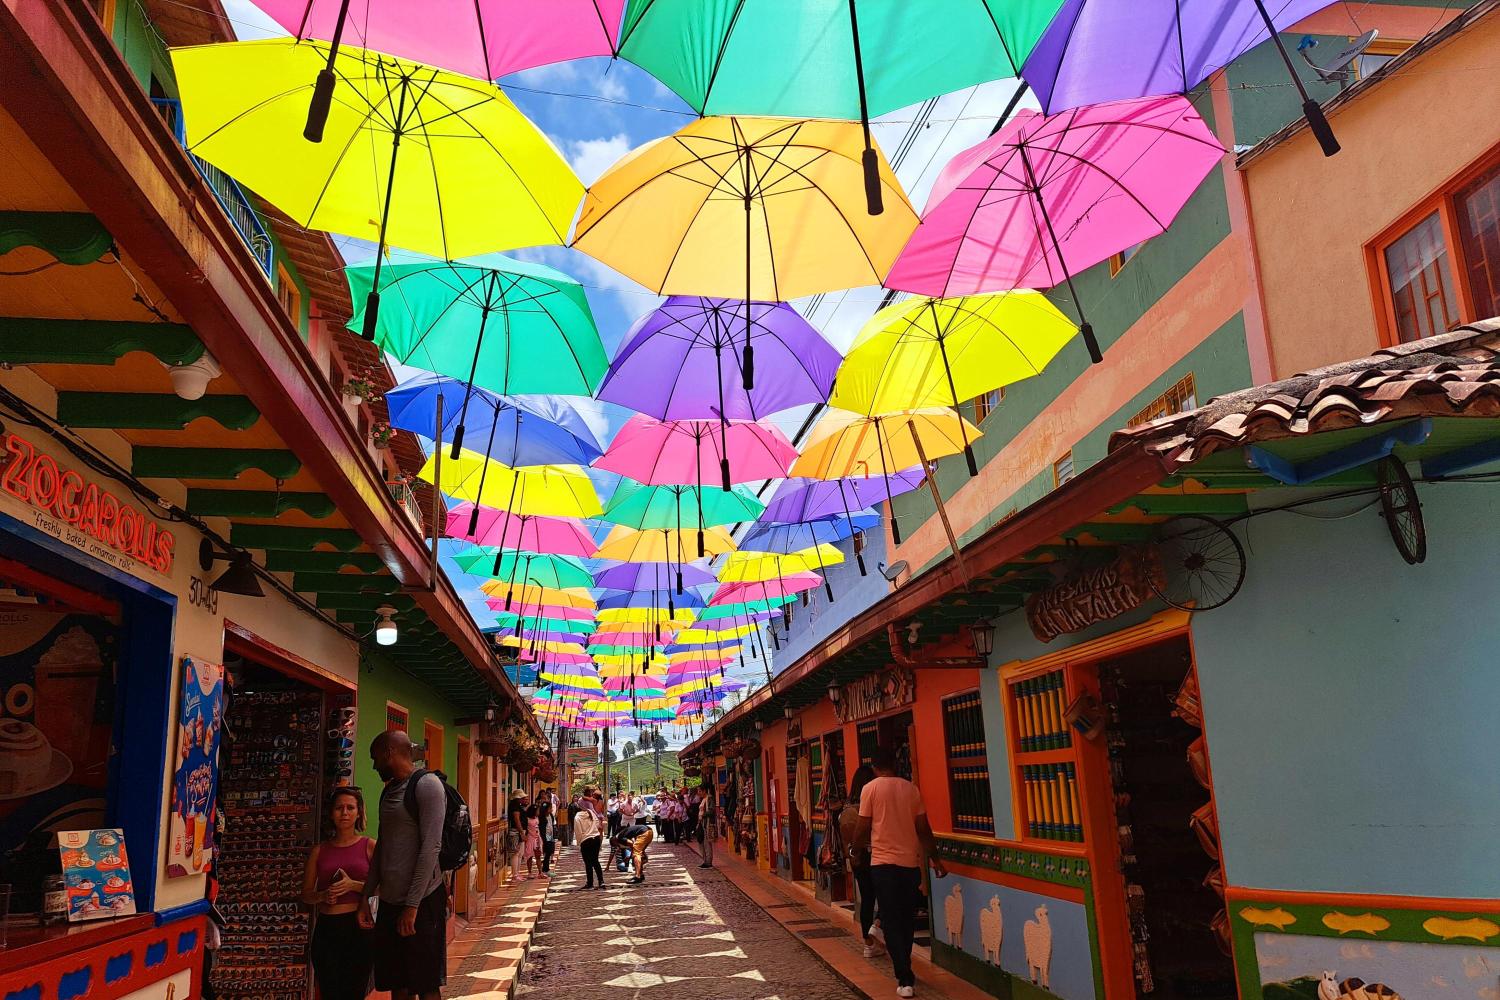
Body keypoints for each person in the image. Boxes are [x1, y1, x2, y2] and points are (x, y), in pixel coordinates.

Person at [851, 747, 947, 999]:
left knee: (892, 921)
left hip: (882, 865)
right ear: (895, 764)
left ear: (874, 767)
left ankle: (904, 976)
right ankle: (905, 971)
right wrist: (935, 859)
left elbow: (862, 826)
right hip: (909, 865)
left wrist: (856, 851)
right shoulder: (911, 789)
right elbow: (924, 830)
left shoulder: (869, 789)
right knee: (905, 920)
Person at [359, 730, 448, 1000]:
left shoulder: (427, 785)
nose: (374, 766)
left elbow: (431, 847)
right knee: (398, 983)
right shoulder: (389, 792)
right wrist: (367, 895)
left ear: (389, 753)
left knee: (426, 984)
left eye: (375, 758)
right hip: (390, 903)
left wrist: (413, 906)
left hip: (424, 902)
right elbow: (383, 846)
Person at [303, 786, 375, 1000]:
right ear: (331, 813)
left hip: (358, 929)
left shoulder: (369, 846)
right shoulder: (320, 851)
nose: (344, 813)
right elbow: (306, 893)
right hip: (327, 929)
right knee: (330, 990)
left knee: (354, 990)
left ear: (359, 812)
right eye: (339, 808)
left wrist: (354, 885)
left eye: (350, 808)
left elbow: (385, 888)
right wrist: (323, 896)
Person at [839, 765, 882, 958]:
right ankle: (878, 926)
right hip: (874, 854)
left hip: (857, 858)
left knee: (867, 899)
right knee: (885, 896)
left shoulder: (847, 809)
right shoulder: (869, 806)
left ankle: (868, 944)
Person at [574, 793, 606, 890]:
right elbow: (597, 825)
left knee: (588, 863)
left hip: (586, 841)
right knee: (596, 861)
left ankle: (590, 883)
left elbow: (578, 831)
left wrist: (579, 843)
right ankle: (601, 882)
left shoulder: (577, 816)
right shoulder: (591, 813)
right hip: (595, 839)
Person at [613, 820, 654, 885]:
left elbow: (631, 844)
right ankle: (641, 874)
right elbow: (633, 846)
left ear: (614, 841)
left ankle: (637, 876)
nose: (618, 847)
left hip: (643, 833)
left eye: (616, 845)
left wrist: (630, 856)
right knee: (639, 853)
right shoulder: (622, 834)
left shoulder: (619, 838)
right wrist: (630, 857)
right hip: (649, 832)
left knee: (636, 854)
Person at [519, 804, 542, 880]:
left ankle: (540, 872)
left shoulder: (537, 818)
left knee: (538, 856)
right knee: (530, 856)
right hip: (530, 839)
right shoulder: (527, 820)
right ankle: (529, 872)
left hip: (536, 838)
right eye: (537, 810)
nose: (539, 812)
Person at [697, 782, 716, 869]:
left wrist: (703, 815)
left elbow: (712, 810)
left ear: (704, 791)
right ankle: (704, 860)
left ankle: (708, 862)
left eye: (700, 791)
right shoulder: (703, 799)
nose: (699, 793)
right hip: (702, 823)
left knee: (707, 843)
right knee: (701, 843)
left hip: (707, 823)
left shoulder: (709, 798)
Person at [539, 800, 557, 877]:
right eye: (550, 808)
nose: (551, 810)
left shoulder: (551, 816)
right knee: (547, 852)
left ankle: (546, 868)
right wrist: (544, 839)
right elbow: (542, 829)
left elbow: (552, 825)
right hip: (545, 836)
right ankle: (545, 869)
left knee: (550, 852)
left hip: (550, 835)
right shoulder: (541, 817)